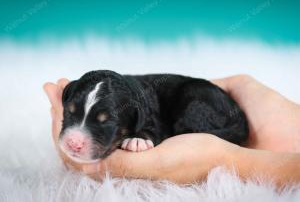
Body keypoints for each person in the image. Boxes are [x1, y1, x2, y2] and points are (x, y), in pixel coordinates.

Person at [44, 75, 300, 187]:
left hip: (198, 99)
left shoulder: (135, 109)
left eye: (102, 121)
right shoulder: (118, 98)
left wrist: (223, 156)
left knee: (186, 110)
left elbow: (151, 124)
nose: (76, 139)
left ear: (135, 119)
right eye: (72, 113)